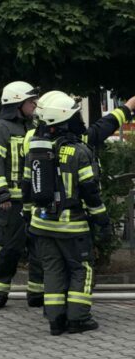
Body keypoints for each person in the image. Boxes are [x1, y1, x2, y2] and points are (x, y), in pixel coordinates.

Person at [24, 91, 111, 336]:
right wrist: (102, 221)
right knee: (81, 269)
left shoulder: (36, 149)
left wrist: (29, 219)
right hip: (72, 226)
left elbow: (27, 188)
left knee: (52, 270)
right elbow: (90, 192)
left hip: (41, 224)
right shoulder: (78, 152)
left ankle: (55, 320)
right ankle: (78, 319)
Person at [0, 81, 40, 311]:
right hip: (11, 203)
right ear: (17, 103)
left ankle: (37, 293)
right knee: (9, 248)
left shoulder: (31, 128)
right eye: (30, 101)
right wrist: (2, 194)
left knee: (38, 249)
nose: (34, 105)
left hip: (33, 201)